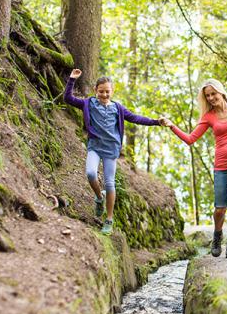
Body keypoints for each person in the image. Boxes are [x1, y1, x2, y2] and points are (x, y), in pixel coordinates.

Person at [164, 79, 227, 258]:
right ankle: (217, 235)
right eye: (207, 96)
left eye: (213, 94)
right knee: (219, 209)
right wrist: (172, 126)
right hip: (221, 166)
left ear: (221, 91)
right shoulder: (208, 117)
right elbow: (190, 139)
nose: (211, 98)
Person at [63, 68, 162, 235]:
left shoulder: (118, 108)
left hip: (111, 150)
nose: (104, 95)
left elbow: (137, 118)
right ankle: (99, 198)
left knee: (109, 183)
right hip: (95, 147)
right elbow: (68, 98)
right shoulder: (88, 103)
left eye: (107, 91)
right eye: (101, 91)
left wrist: (156, 122)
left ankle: (109, 219)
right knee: (90, 174)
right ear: (95, 90)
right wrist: (72, 79)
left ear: (112, 91)